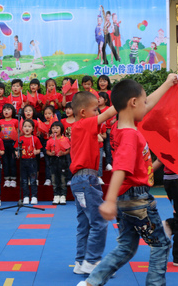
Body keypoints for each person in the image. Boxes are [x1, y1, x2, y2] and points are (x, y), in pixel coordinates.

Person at [79, 74, 177, 286]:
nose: (146, 105)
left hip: (126, 198)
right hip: (137, 197)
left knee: (126, 246)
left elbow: (146, 102)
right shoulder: (131, 134)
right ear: (133, 103)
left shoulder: (118, 127)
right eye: (142, 102)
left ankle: (92, 282)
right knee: (160, 244)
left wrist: (168, 83)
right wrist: (110, 199)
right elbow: (121, 168)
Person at [69, 92, 117, 276]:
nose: (98, 112)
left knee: (85, 223)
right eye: (95, 109)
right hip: (87, 180)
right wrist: (123, 100)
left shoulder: (81, 128)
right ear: (83, 112)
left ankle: (80, 261)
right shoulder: (84, 124)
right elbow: (108, 114)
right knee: (99, 221)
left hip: (80, 180)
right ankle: (92, 260)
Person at [15, 119, 42, 205]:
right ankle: (26, 196)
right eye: (25, 126)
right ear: (22, 128)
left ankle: (34, 196)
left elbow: (39, 149)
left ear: (33, 129)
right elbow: (16, 149)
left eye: (29, 126)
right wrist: (17, 153)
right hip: (23, 161)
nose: (27, 128)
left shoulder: (35, 138)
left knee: (33, 180)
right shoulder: (20, 139)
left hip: (32, 161)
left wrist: (36, 152)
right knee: (24, 180)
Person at [46, 122, 70, 205]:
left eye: (57, 128)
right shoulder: (49, 141)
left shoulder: (65, 139)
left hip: (62, 161)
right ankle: (56, 195)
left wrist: (63, 153)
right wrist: (51, 153)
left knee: (63, 179)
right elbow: (47, 151)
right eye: (53, 128)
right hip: (53, 160)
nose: (55, 130)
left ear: (61, 129)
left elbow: (68, 150)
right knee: (54, 178)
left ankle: (63, 195)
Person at [0, 104, 18, 188]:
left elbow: (19, 132)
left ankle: (13, 179)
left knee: (13, 161)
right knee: (5, 161)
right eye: (4, 110)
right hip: (3, 143)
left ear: (13, 111)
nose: (6, 111)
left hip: (12, 143)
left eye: (8, 109)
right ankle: (7, 179)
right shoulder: (0, 121)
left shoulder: (15, 121)